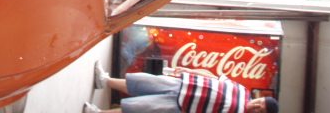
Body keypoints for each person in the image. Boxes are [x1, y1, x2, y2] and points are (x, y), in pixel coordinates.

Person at [83, 62, 278, 113]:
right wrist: (190, 70)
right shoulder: (243, 90)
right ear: (260, 98)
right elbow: (214, 77)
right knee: (141, 82)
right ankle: (104, 81)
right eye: (260, 102)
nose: (257, 106)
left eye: (261, 110)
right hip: (183, 83)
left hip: (180, 107)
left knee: (136, 108)